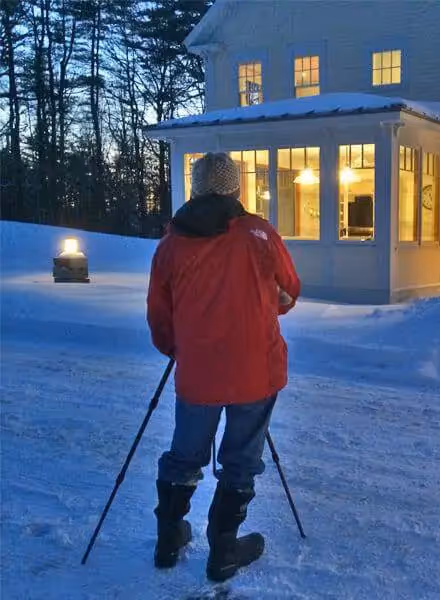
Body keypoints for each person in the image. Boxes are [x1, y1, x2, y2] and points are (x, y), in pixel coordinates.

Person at [146, 152, 300, 582]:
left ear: (195, 190)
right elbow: (290, 289)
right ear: (236, 190)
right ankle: (223, 549)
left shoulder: (173, 243)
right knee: (240, 459)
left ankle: (168, 537)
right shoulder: (259, 234)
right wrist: (266, 303)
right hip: (256, 369)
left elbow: (160, 314)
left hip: (199, 372)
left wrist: (180, 347)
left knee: (185, 454)